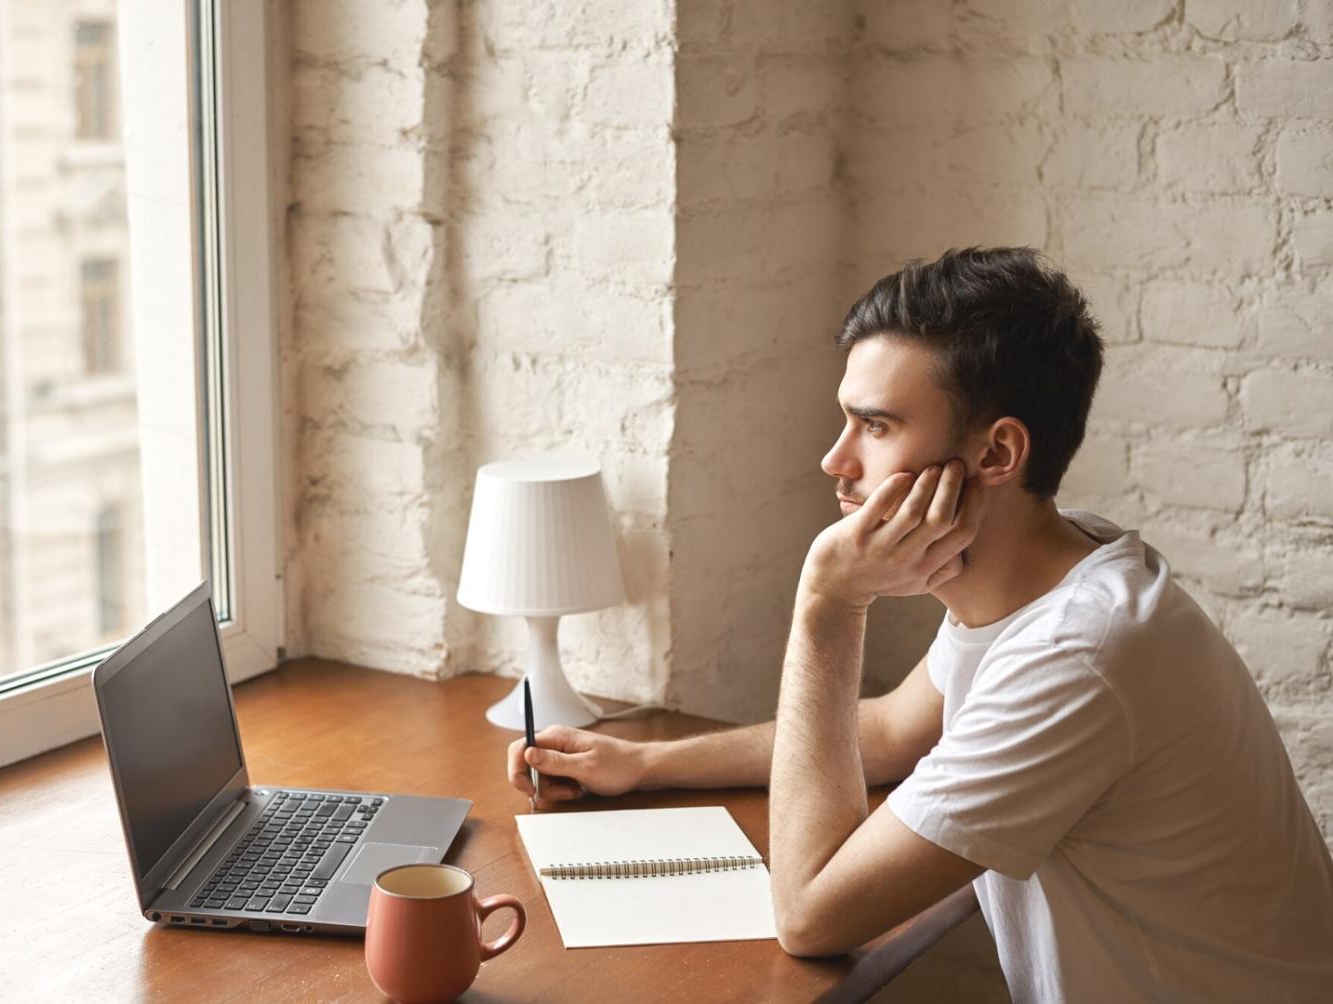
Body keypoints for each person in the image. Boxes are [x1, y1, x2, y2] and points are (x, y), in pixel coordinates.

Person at [505, 247, 1333, 1001]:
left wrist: (828, 605)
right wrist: (645, 764)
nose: (835, 460)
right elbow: (897, 730)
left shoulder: (1079, 652)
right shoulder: (1059, 568)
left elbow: (808, 913)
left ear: (997, 455)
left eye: (875, 426)